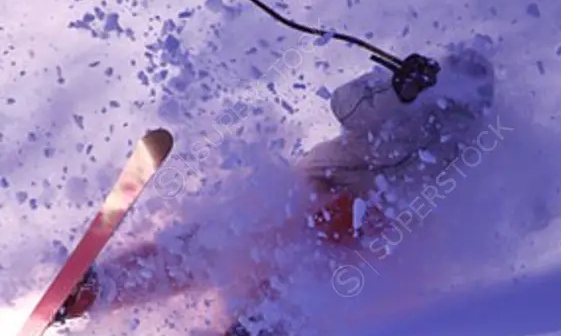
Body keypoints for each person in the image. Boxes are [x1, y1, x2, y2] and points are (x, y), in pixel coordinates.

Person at [57, 39, 494, 320]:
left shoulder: (470, 153)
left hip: (363, 232)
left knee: (322, 237)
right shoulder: (401, 98)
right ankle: (98, 289)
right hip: (316, 184)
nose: (450, 114)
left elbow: (456, 215)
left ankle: (263, 318)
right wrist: (398, 91)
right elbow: (346, 107)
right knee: (224, 240)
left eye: (465, 107)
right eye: (450, 99)